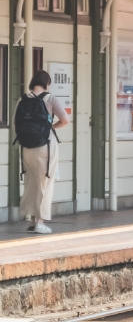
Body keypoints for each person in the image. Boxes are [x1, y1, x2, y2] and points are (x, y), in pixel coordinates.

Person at [19, 71, 69, 234]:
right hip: (46, 145)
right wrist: (51, 128)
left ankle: (32, 221)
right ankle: (40, 222)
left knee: (31, 182)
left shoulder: (23, 99)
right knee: (45, 183)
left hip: (27, 146)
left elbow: (16, 125)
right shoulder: (50, 98)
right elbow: (64, 120)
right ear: (47, 83)